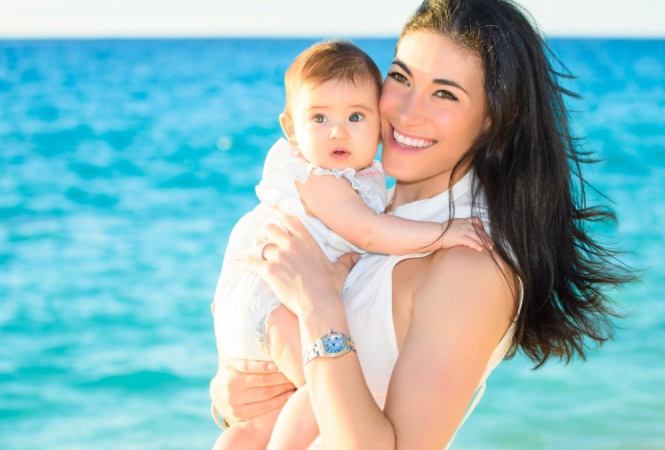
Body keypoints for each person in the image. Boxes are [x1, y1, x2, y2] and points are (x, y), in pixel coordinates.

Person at [211, 0, 633, 448]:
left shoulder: (472, 263)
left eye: (445, 94)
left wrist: (319, 304)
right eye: (401, 78)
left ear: (492, 118)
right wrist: (236, 399)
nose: (407, 112)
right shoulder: (366, 209)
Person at [211, 41, 487, 450]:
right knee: (316, 391)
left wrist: (224, 401)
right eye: (319, 117)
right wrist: (444, 233)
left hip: (273, 304)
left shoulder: (365, 187)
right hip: (271, 302)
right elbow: (369, 232)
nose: (337, 131)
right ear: (291, 128)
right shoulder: (320, 177)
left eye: (355, 116)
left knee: (257, 425)